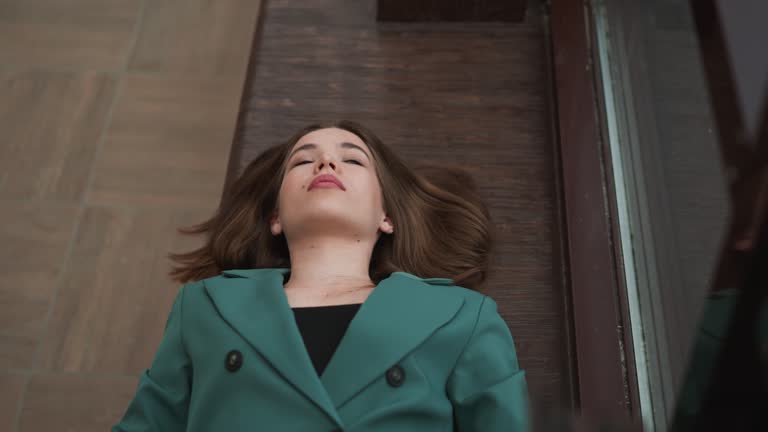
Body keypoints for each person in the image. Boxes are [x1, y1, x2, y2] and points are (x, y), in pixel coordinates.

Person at [112, 120, 529, 431]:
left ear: (387, 215)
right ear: (275, 216)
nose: (326, 162)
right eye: (303, 160)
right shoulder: (204, 308)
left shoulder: (462, 317)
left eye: (352, 158)